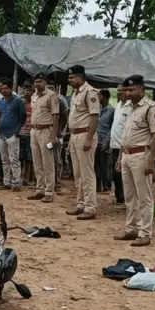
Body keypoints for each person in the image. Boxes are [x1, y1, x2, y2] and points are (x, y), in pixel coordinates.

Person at [115, 75, 155, 247]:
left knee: (144, 197)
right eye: (126, 89)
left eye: (131, 89)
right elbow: (125, 135)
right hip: (127, 154)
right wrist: (121, 157)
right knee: (129, 196)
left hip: (141, 155)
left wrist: (151, 160)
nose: (127, 92)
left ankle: (145, 232)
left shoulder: (151, 108)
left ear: (142, 90)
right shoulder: (128, 107)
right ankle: (131, 228)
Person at [65, 64, 100, 220]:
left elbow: (94, 117)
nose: (69, 80)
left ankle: (90, 207)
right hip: (74, 135)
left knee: (87, 174)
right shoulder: (75, 93)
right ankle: (81, 204)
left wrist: (89, 138)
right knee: (78, 173)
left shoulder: (90, 92)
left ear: (80, 77)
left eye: (72, 77)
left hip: (85, 135)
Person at [28, 73, 60, 203]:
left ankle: (49, 191)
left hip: (47, 131)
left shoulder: (51, 96)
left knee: (48, 163)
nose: (37, 84)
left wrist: (54, 136)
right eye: (35, 82)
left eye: (39, 81)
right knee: (37, 162)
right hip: (34, 131)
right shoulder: (34, 96)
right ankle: (39, 189)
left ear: (45, 82)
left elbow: (56, 116)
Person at [0, 78, 26, 191]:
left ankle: (16, 183)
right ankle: (6, 182)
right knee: (4, 159)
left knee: (14, 159)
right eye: (2, 88)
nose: (4, 90)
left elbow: (23, 116)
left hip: (13, 134)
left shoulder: (18, 101)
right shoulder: (0, 102)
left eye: (6, 88)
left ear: (11, 88)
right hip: (1, 134)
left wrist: (17, 131)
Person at [108, 84, 131, 204]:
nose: (120, 93)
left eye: (122, 90)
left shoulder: (130, 107)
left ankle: (124, 196)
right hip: (114, 145)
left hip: (124, 147)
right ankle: (119, 195)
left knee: (122, 173)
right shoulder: (118, 105)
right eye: (118, 91)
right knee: (115, 173)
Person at [96, 89, 115, 193]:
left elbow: (112, 128)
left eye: (100, 96)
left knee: (105, 165)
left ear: (106, 98)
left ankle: (106, 185)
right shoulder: (97, 109)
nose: (98, 98)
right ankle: (98, 185)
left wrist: (107, 141)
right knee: (96, 165)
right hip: (96, 140)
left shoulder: (111, 111)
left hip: (105, 140)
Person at [18, 82, 34, 185]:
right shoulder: (20, 102)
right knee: (21, 156)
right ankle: (22, 176)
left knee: (30, 157)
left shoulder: (35, 102)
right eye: (26, 90)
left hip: (32, 132)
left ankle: (30, 177)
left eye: (29, 90)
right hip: (21, 132)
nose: (27, 92)